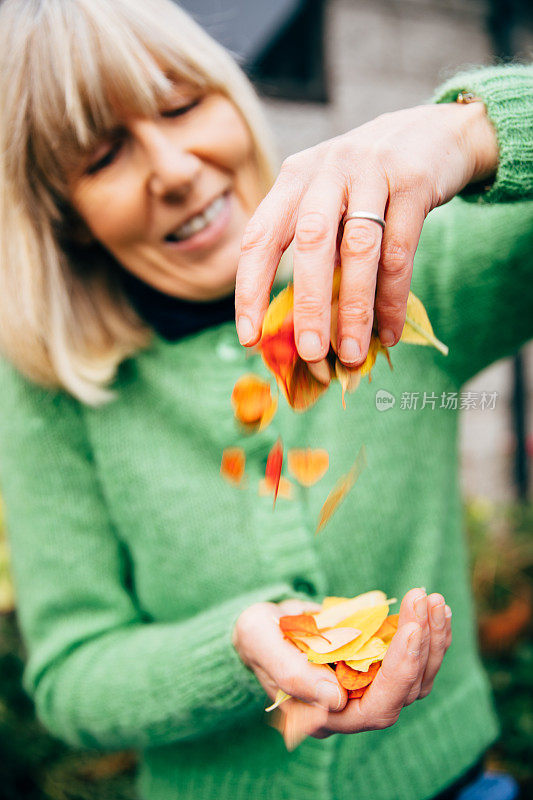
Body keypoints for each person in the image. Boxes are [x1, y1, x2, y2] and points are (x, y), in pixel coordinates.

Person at [0, 1, 531, 799]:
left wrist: (469, 133)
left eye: (182, 104)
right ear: (63, 215)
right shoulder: (55, 386)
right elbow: (74, 674)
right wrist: (238, 648)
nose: (175, 169)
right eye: (104, 155)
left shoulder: (397, 274)